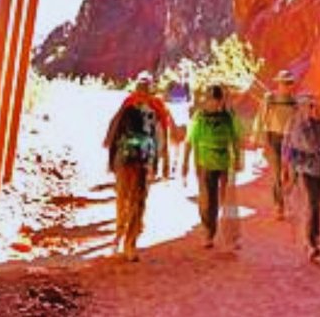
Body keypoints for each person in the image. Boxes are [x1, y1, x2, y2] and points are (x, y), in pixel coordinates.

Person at [103, 72, 171, 260]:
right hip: (141, 161)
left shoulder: (130, 106)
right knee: (137, 200)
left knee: (126, 196)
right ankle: (128, 239)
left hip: (127, 160)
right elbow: (161, 137)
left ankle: (123, 231)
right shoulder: (155, 108)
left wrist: (110, 160)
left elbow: (114, 133)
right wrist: (162, 162)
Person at [181, 84, 243, 249]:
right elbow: (189, 141)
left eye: (219, 100)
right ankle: (209, 232)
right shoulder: (199, 117)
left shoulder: (227, 117)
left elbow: (235, 139)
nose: (216, 104)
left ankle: (230, 236)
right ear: (207, 100)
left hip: (224, 163)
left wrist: (237, 159)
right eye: (213, 100)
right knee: (209, 200)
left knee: (228, 201)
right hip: (205, 163)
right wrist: (185, 162)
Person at [283, 93, 320, 262]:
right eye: (310, 106)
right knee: (312, 204)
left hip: (317, 168)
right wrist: (287, 169)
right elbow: (310, 146)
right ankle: (311, 242)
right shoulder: (298, 126)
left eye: (315, 106)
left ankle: (314, 238)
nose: (314, 109)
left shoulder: (318, 124)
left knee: (316, 204)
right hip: (302, 169)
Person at [252, 69, 299, 219]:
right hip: (273, 139)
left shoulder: (294, 102)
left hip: (290, 141)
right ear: (278, 83)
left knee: (292, 174)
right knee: (278, 173)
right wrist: (256, 138)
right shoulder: (269, 99)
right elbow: (260, 118)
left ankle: (284, 198)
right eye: (285, 83)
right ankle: (279, 206)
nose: (288, 85)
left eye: (290, 83)